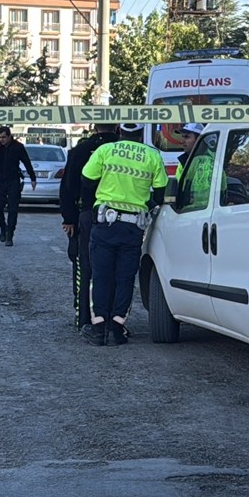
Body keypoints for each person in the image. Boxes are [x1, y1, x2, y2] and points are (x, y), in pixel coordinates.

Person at [79, 122, 167, 346]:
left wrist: (93, 203)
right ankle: (117, 327)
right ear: (140, 134)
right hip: (132, 227)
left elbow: (86, 180)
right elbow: (160, 192)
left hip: (104, 224)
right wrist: (145, 204)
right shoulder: (152, 155)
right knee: (125, 278)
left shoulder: (105, 151)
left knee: (100, 276)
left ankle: (99, 328)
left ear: (120, 132)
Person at [59, 124, 120, 330]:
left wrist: (69, 218)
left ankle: (84, 316)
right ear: (117, 127)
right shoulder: (123, 150)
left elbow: (68, 186)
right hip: (119, 215)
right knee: (114, 269)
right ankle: (110, 318)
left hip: (86, 214)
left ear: (94, 128)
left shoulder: (80, 150)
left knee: (84, 267)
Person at [0, 126, 36, 246]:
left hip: (13, 181)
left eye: (3, 137)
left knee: (13, 209)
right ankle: (3, 227)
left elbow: (26, 162)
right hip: (0, 182)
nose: (1, 140)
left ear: (9, 136)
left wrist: (33, 178)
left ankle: (10, 235)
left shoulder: (17, 147)